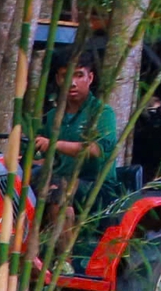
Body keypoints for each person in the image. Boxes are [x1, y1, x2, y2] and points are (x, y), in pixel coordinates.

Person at [32, 58, 118, 198]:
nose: (72, 83)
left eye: (79, 75)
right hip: (59, 180)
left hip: (97, 188)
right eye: (65, 76)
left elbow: (95, 150)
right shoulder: (52, 116)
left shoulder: (102, 112)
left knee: (57, 190)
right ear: (58, 79)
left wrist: (53, 144)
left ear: (90, 78)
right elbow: (46, 159)